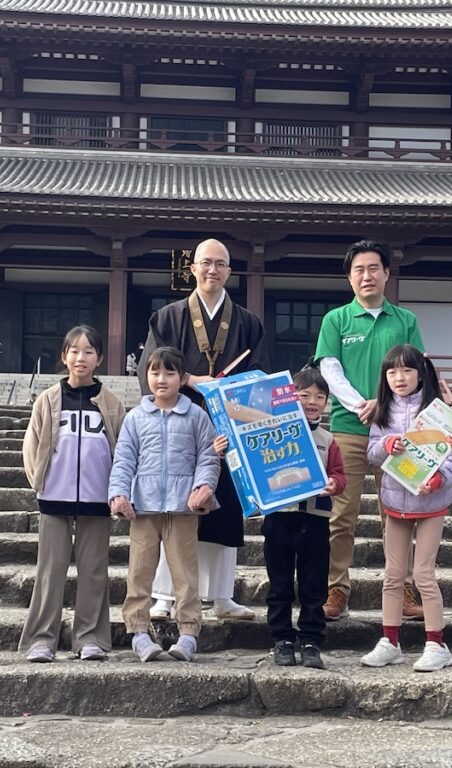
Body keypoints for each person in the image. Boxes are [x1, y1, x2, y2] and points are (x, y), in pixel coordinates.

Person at [140, 239, 267, 621]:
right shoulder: (167, 317)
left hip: (227, 427)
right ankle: (164, 595)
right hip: (178, 422)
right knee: (173, 506)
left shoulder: (248, 322)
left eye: (220, 265)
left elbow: (258, 379)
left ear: (230, 271)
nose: (212, 271)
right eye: (205, 263)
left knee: (224, 509)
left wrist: (228, 390)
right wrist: (193, 379)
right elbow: (152, 369)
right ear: (192, 268)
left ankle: (222, 595)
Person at [314, 240, 425, 622]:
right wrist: (362, 403)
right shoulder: (337, 320)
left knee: (399, 511)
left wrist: (384, 402)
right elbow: (329, 368)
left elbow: (415, 368)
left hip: (398, 431)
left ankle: (404, 587)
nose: (367, 276)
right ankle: (335, 588)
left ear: (387, 274)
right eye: (359, 270)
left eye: (374, 268)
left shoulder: (405, 320)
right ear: (349, 277)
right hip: (348, 428)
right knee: (340, 514)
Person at [18, 326, 125, 663]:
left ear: (100, 359)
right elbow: (31, 444)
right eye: (74, 351)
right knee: (50, 569)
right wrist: (39, 481)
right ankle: (41, 639)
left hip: (97, 498)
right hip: (54, 496)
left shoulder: (110, 402)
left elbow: (122, 448)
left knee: (94, 570)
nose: (81, 358)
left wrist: (118, 490)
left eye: (89, 351)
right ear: (64, 357)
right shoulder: (47, 399)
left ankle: (90, 637)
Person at [360, 346, 452, 672]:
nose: (399, 378)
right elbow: (371, 452)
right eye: (392, 372)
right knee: (393, 575)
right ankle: (389, 641)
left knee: (423, 574)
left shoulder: (440, 413)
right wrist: (384, 446)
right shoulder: (383, 411)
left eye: (406, 371)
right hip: (395, 502)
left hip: (431, 503)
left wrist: (439, 479)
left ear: (421, 373)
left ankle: (437, 643)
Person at [109, 346, 220, 662]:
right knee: (139, 571)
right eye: (155, 372)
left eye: (170, 373)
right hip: (143, 507)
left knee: (185, 573)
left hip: (183, 507)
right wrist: (119, 494)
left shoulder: (197, 416)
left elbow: (209, 457)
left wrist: (204, 487)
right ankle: (138, 632)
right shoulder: (135, 418)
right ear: (146, 376)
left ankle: (188, 633)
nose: (162, 379)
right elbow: (124, 460)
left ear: (183, 378)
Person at [238, 366, 345, 670]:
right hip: (279, 518)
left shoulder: (328, 439)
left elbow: (339, 475)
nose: (312, 401)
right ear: (289, 397)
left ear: (327, 403)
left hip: (315, 519)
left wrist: (333, 485)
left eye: (320, 396)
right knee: (280, 582)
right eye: (305, 394)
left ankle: (311, 639)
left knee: (314, 584)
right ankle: (282, 639)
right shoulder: (270, 431)